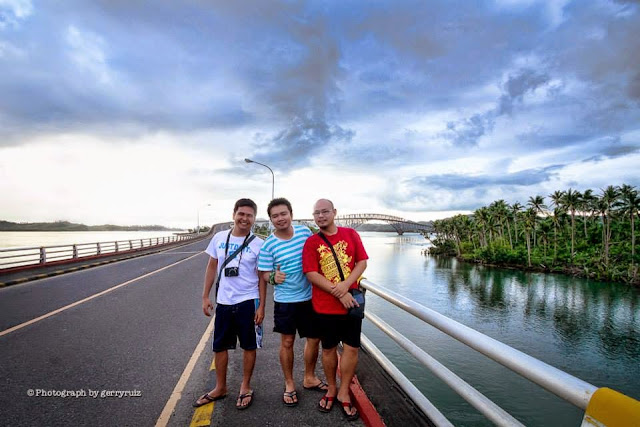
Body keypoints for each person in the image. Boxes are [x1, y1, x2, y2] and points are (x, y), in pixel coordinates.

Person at [194, 198, 266, 410]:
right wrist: (205, 296)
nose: (244, 218)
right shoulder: (218, 238)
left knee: (249, 345)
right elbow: (211, 266)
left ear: (254, 218)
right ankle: (220, 387)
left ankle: (245, 387)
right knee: (219, 346)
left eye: (249, 215)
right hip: (224, 301)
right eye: (241, 214)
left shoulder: (258, 244)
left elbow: (262, 277)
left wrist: (261, 306)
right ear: (234, 214)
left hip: (248, 300)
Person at [257, 198, 328, 407]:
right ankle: (289, 384)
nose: (280, 218)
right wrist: (272, 278)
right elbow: (264, 273)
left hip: (309, 298)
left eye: (283, 214)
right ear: (271, 220)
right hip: (285, 302)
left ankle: (309, 377)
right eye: (275, 216)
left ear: (291, 214)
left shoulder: (305, 232)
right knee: (287, 342)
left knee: (313, 339)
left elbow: (320, 252)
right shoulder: (269, 244)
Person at [302, 199, 368, 422]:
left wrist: (346, 285)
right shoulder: (312, 242)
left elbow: (362, 262)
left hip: (351, 305)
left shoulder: (351, 234)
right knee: (328, 349)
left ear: (334, 213)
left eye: (325, 212)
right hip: (324, 307)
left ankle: (344, 390)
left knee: (351, 349)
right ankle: (331, 387)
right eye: (317, 213)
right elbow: (311, 273)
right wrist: (340, 292)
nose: (320, 216)